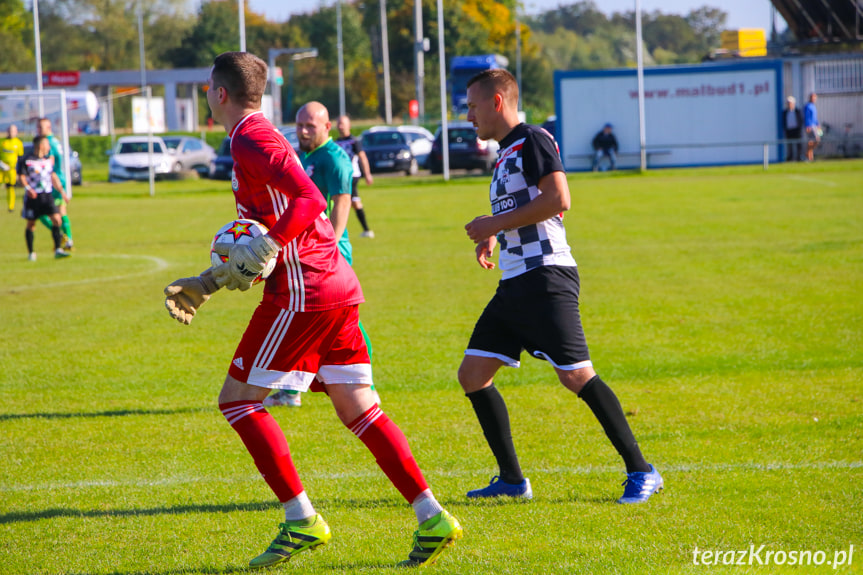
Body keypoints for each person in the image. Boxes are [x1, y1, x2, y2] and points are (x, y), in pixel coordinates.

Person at [162, 51, 461, 569]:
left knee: (237, 402)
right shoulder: (257, 134)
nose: (207, 94)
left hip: (306, 290)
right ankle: (432, 516)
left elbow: (309, 200)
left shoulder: (251, 137)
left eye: (209, 86)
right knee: (358, 408)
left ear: (221, 93)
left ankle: (302, 520)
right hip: (334, 285)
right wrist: (209, 281)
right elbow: (264, 233)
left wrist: (271, 243)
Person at [459, 69, 662, 504]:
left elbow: (558, 199)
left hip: (546, 276)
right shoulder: (506, 151)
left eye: (473, 105)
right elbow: (524, 205)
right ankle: (512, 481)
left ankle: (642, 470)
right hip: (515, 278)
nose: (469, 114)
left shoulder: (532, 139)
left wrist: (493, 222)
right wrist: (495, 234)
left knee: (575, 375)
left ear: (497, 102)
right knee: (473, 375)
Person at [262, 101, 377, 408]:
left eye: (310, 126)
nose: (302, 130)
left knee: (347, 323)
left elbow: (341, 203)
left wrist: (331, 248)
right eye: (299, 124)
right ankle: (291, 390)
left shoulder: (335, 158)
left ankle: (367, 386)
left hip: (329, 253)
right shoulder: (304, 155)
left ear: (327, 127)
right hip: (303, 251)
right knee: (298, 317)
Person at [19, 135, 71, 261]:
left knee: (57, 219)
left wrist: (62, 191)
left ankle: (58, 249)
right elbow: (21, 177)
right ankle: (31, 253)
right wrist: (28, 189)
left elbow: (53, 176)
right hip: (33, 197)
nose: (49, 147)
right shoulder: (27, 160)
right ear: (41, 146)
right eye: (47, 144)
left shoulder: (48, 160)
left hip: (47, 196)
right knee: (31, 224)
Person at [334, 115, 375, 238]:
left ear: (349, 126)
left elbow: (362, 157)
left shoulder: (354, 141)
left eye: (342, 123)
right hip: (340, 177)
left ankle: (365, 230)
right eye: (338, 124)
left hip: (352, 176)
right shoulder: (335, 143)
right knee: (348, 202)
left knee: (348, 202)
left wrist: (367, 174)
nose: (340, 126)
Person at [36, 118, 74, 250]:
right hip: (60, 179)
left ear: (49, 127)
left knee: (41, 213)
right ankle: (68, 240)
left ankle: (62, 236)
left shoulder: (48, 143)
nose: (38, 130)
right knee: (61, 212)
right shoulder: (56, 141)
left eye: (41, 127)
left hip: (53, 182)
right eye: (38, 127)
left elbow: (49, 164)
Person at [1, 124, 24, 213]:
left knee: (10, 187)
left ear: (16, 132)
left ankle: (11, 206)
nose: (11, 133)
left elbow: (20, 157)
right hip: (1, 169)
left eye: (13, 131)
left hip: (11, 169)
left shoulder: (18, 143)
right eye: (10, 131)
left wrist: (20, 170)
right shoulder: (2, 142)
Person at [783, 96, 804, 162]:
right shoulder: (785, 112)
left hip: (796, 130)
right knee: (790, 145)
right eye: (788, 103)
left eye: (790, 103)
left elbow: (801, 120)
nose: (789, 104)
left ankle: (799, 157)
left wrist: (799, 129)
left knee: (798, 145)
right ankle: (790, 158)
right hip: (789, 131)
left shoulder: (797, 111)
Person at [804, 93, 820, 162]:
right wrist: (808, 126)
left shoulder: (813, 106)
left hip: (815, 126)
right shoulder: (808, 106)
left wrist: (818, 124)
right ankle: (808, 156)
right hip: (810, 126)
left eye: (815, 98)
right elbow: (807, 117)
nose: (814, 99)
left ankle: (809, 156)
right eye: (813, 98)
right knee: (813, 140)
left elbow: (814, 117)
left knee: (815, 141)